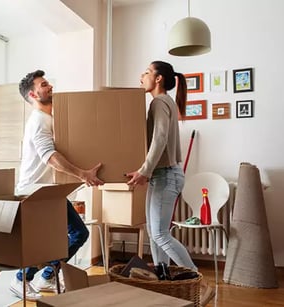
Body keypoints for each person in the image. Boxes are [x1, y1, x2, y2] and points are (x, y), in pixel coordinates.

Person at [10, 69, 104, 301]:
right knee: (74, 234)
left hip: (48, 192)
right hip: (34, 192)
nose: (49, 86)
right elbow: (49, 156)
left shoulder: (52, 119)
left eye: (48, 83)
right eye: (43, 85)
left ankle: (45, 275)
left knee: (71, 235)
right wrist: (83, 174)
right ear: (33, 95)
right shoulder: (39, 121)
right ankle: (24, 278)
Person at [125, 61, 197, 272]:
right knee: (154, 231)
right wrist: (147, 171)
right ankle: (162, 275)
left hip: (166, 175)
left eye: (146, 72)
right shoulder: (164, 102)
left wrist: (144, 170)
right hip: (161, 176)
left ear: (158, 79)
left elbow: (160, 138)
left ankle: (194, 277)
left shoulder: (159, 102)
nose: (141, 75)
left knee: (159, 234)